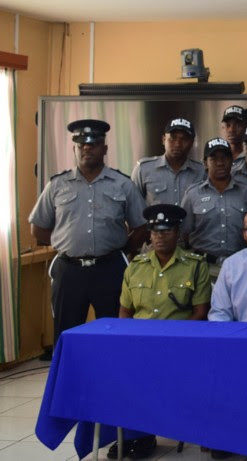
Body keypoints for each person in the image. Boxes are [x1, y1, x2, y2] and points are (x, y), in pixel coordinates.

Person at [29, 119, 147, 345]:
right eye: (81, 144)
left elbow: (141, 227)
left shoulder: (122, 184)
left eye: (93, 144)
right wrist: (65, 243)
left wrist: (122, 248)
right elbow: (38, 227)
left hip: (110, 269)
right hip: (69, 270)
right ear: (74, 148)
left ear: (105, 149)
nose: (87, 148)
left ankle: (111, 368)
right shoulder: (57, 185)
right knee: (67, 333)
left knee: (114, 332)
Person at [113, 203, 209, 458]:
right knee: (118, 374)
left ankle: (152, 432)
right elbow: (125, 312)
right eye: (155, 232)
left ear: (178, 233)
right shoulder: (135, 266)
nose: (159, 237)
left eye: (166, 231)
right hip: (140, 344)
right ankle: (132, 436)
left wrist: (172, 340)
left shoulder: (195, 265)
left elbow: (200, 312)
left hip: (179, 344)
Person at [180, 138, 247, 278]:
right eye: (214, 158)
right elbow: (183, 234)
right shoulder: (193, 194)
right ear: (205, 163)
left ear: (232, 161)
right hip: (203, 268)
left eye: (224, 157)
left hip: (241, 266)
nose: (220, 163)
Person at [131, 117, 205, 206]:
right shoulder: (143, 170)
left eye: (184, 139)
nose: (177, 144)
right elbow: (133, 208)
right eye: (172, 138)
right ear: (163, 140)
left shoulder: (202, 172)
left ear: (192, 143)